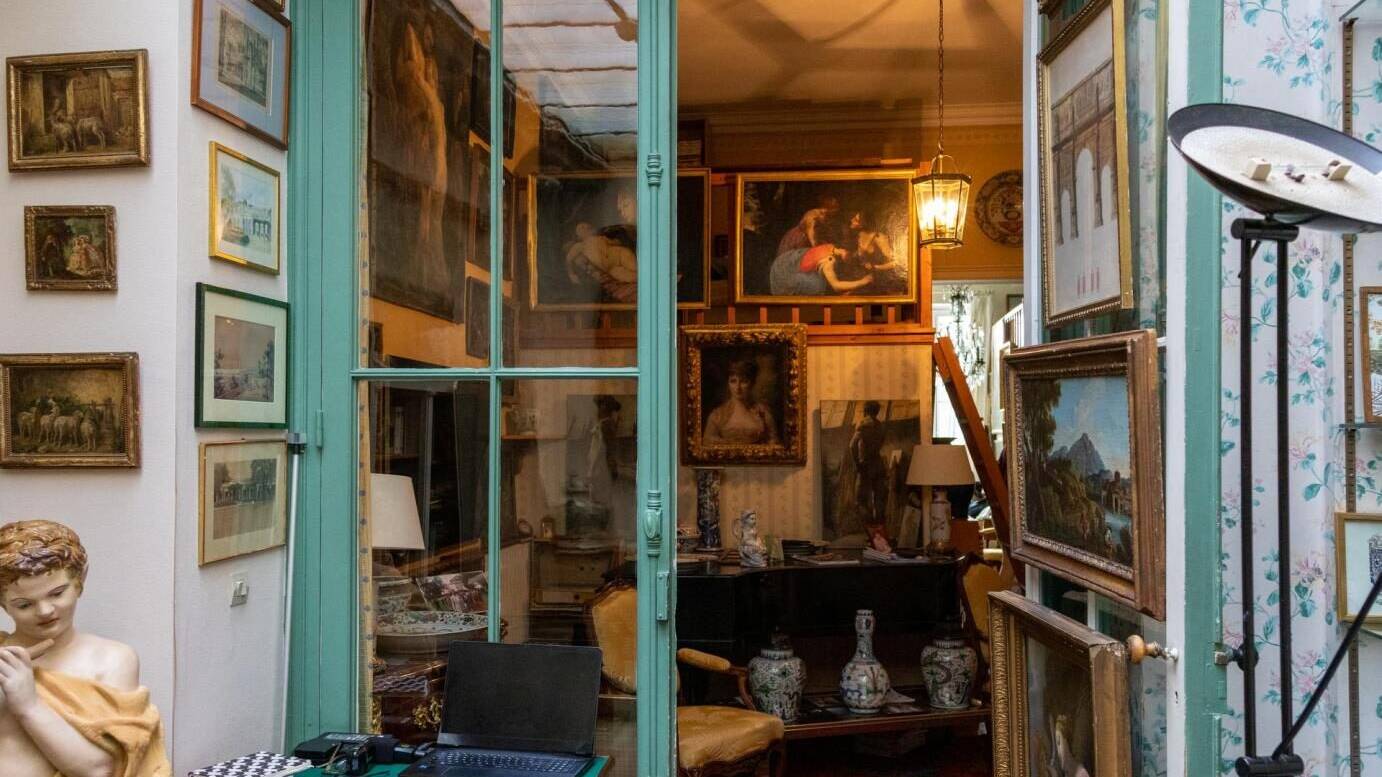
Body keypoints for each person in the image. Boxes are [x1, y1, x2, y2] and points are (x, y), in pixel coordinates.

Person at [0, 520, 170, 777]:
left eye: (57, 593)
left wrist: (28, 705)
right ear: (3, 603)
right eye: (24, 605)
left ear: (80, 581)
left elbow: (99, 770)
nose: (45, 611)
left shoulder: (112, 660)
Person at [702, 359, 778, 445]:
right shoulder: (718, 415)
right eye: (733, 381)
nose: (738, 388)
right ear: (728, 383)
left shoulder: (763, 414)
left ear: (752, 384)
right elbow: (707, 442)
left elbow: (773, 443)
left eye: (744, 381)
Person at [768, 243, 874, 297]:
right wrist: (864, 281)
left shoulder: (831, 247)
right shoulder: (829, 261)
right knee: (819, 284)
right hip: (783, 279)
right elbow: (836, 286)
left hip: (783, 264)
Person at [850, 400, 889, 526]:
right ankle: (879, 527)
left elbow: (852, 446)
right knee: (879, 499)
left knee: (860, 500)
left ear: (865, 411)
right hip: (878, 464)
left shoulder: (863, 425)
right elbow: (880, 443)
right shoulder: (881, 427)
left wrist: (857, 463)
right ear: (877, 411)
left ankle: (869, 527)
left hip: (865, 466)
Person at [776, 195, 840, 255]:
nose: (835, 211)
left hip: (808, 241)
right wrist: (817, 248)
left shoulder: (827, 217)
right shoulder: (813, 215)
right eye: (834, 208)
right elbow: (811, 233)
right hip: (798, 240)